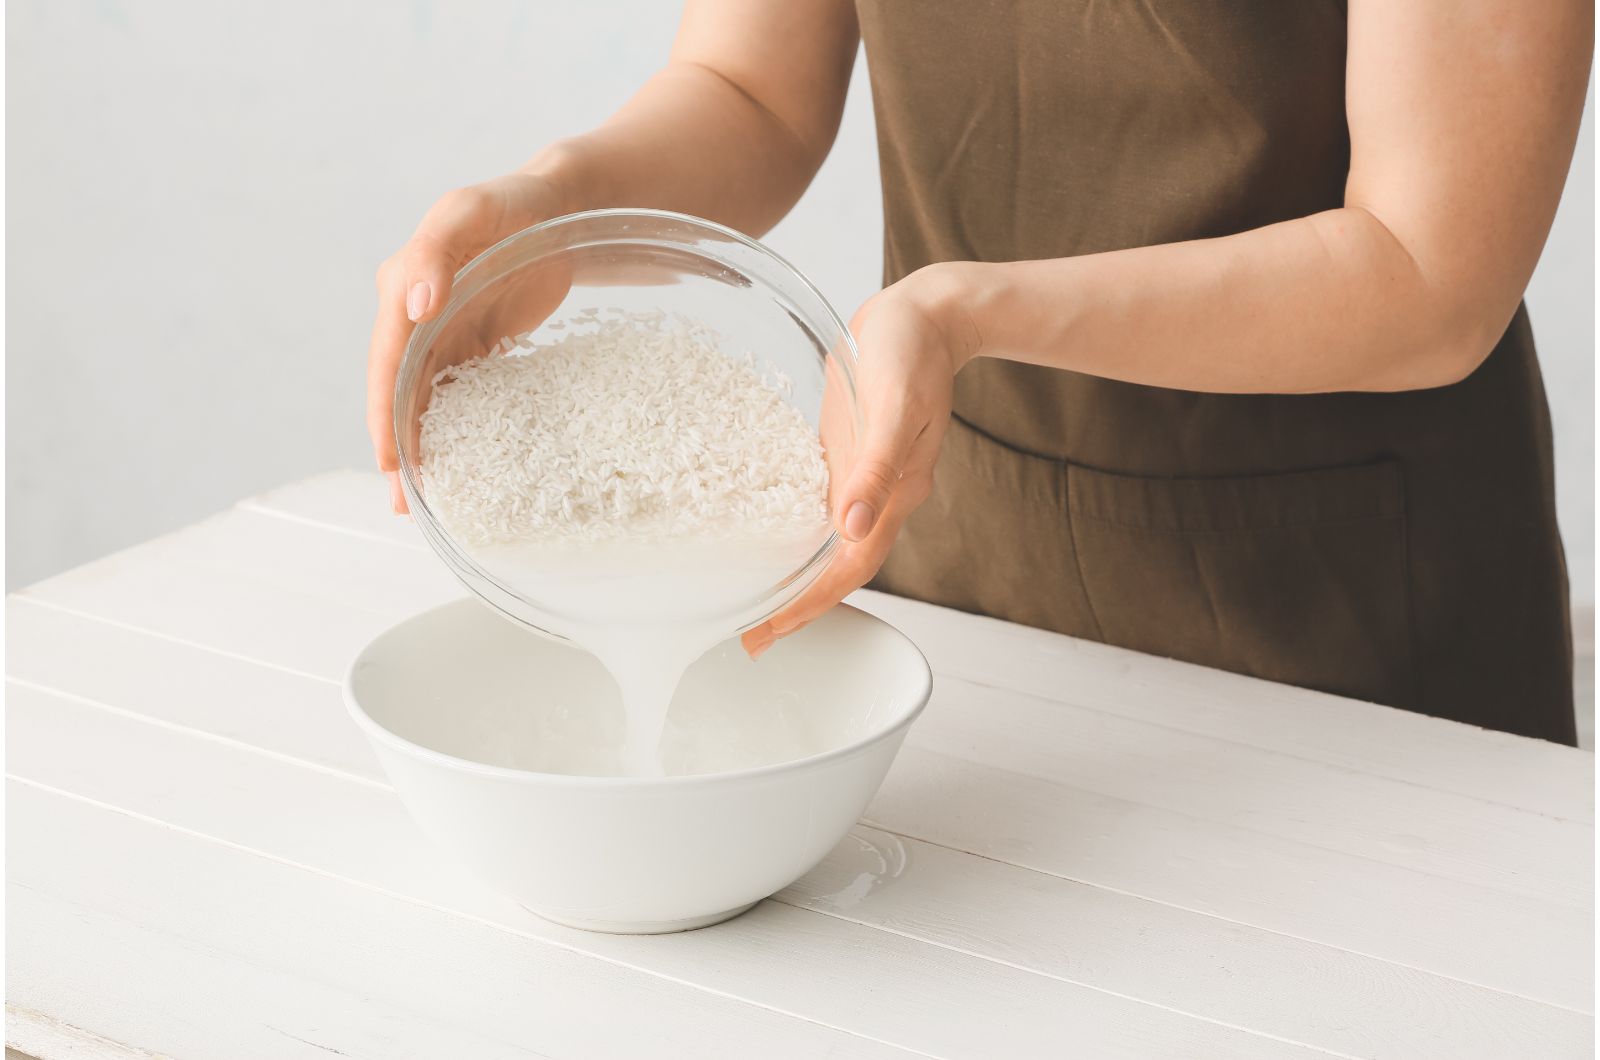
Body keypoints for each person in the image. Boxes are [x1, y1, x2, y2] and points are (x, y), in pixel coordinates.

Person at [367, 1, 1592, 744]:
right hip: (966, 578)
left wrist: (965, 310)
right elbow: (753, 90)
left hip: (1351, 616)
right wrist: (553, 206)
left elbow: (1428, 276)